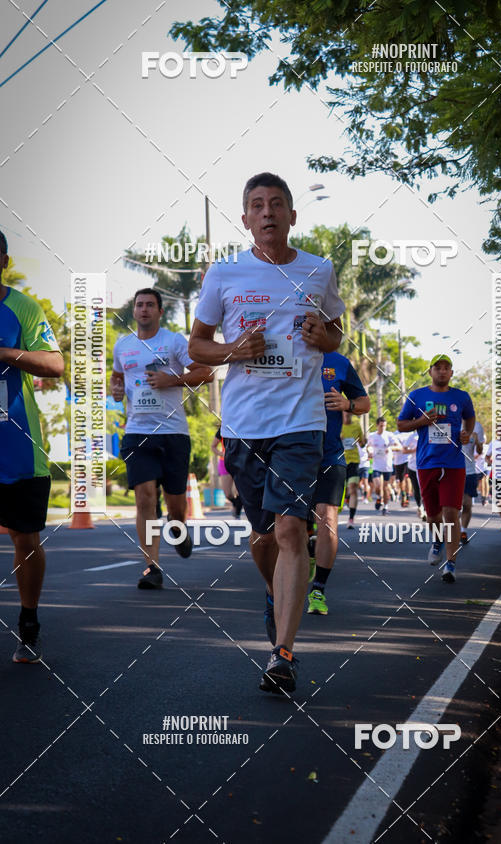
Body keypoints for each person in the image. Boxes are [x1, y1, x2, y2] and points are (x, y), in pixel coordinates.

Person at [189, 172, 344, 694]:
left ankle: (283, 653)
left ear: (293, 216)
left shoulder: (318, 269)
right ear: (246, 218)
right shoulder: (224, 273)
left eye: (277, 203)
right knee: (262, 538)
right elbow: (197, 347)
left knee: (290, 531)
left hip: (301, 423)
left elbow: (336, 328)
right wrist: (235, 351)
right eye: (257, 205)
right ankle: (279, 597)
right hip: (244, 426)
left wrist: (326, 335)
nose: (268, 212)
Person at [110, 288, 211, 589]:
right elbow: (117, 377)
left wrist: (172, 379)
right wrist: (116, 390)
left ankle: (177, 526)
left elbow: (206, 373)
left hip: (173, 434)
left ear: (160, 311)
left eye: (150, 305)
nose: (143, 310)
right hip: (137, 432)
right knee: (145, 498)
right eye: (139, 305)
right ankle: (152, 568)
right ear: (134, 311)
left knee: (176, 506)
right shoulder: (123, 346)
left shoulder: (174, 341)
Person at [0, 232, 64, 662]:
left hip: (18, 445)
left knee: (26, 538)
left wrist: (4, 352)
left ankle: (28, 619)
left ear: (3, 261)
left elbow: (54, 364)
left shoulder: (21, 306)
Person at [397, 354, 475, 583]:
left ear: (451, 373)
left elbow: (469, 419)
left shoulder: (461, 397)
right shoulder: (417, 396)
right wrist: (421, 422)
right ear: (430, 372)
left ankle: (450, 563)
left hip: (453, 463)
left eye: (446, 368)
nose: (442, 371)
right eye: (437, 368)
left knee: (451, 512)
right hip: (426, 462)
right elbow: (401, 425)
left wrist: (466, 433)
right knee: (432, 516)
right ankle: (437, 539)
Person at [306, 352, 369, 616]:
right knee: (292, 524)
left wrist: (347, 405)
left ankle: (318, 588)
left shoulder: (339, 362)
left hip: (331, 455)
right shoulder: (283, 350)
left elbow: (363, 402)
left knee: (327, 517)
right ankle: (308, 547)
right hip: (291, 456)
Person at [460, 419, 486, 544]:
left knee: (467, 504)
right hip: (451, 470)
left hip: (469, 471)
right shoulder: (449, 423)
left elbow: (480, 451)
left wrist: (477, 442)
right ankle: (451, 530)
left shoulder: (477, 426)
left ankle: (463, 530)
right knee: (452, 507)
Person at [211, 427, 243, 517]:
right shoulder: (222, 429)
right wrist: (221, 453)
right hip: (224, 462)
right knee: (227, 493)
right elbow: (213, 447)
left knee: (240, 491)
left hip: (240, 461)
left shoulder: (242, 425)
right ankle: (237, 504)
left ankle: (238, 509)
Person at [367, 416, 395, 515]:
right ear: (377, 425)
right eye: (381, 426)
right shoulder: (372, 435)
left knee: (386, 487)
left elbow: (397, 446)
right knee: (378, 486)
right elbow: (368, 446)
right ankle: (379, 497)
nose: (383, 428)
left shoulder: (389, 435)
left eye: (384, 426)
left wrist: (390, 448)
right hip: (376, 465)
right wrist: (369, 452)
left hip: (387, 465)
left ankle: (385, 506)